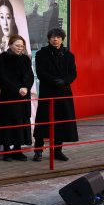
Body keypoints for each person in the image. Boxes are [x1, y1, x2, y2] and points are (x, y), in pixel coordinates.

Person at [33, 28, 77, 162]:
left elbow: (73, 73)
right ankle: (38, 150)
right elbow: (41, 73)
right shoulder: (41, 54)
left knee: (61, 123)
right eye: (52, 37)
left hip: (64, 92)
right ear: (49, 39)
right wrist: (54, 81)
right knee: (43, 122)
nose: (55, 39)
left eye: (58, 37)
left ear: (62, 39)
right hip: (48, 92)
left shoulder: (69, 55)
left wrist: (65, 81)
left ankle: (57, 150)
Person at [0, 35, 33, 161]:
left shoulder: (25, 59)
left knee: (21, 123)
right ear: (10, 45)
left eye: (22, 46)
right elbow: (3, 78)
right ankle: (6, 150)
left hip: (23, 96)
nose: (20, 48)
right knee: (8, 122)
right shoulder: (2, 58)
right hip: (9, 96)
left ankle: (17, 149)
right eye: (17, 45)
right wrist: (17, 89)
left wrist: (26, 87)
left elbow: (30, 76)